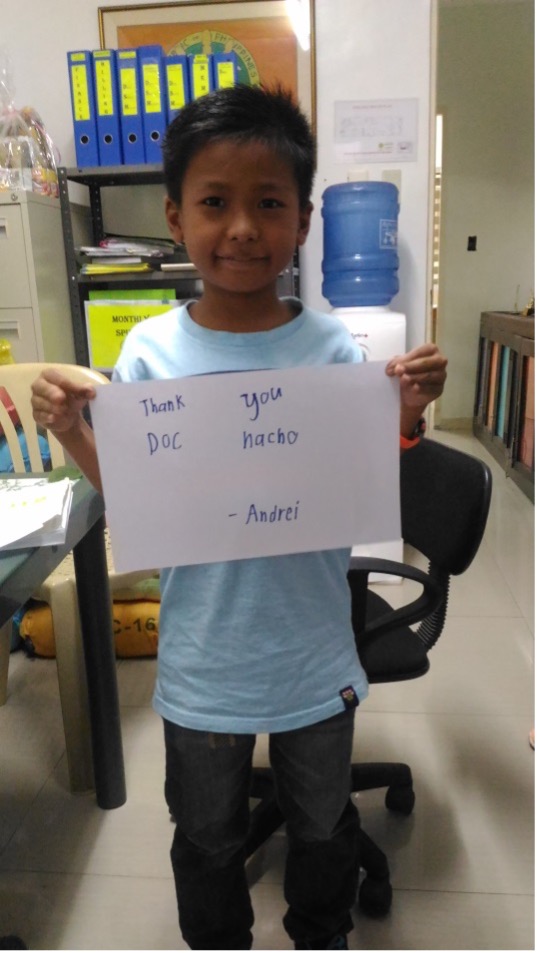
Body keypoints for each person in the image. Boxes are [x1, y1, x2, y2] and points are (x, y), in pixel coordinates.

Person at [31, 84, 447, 951]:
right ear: (175, 218)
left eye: (270, 204)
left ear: (302, 221)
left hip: (312, 651)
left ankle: (320, 933)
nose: (244, 228)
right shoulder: (147, 350)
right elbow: (140, 494)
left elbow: (365, 476)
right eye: (215, 203)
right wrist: (74, 428)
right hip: (202, 661)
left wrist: (405, 414)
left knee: (325, 825)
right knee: (208, 834)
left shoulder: (333, 351)